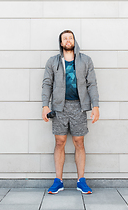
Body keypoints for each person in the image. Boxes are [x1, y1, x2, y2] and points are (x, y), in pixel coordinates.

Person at [42, 30, 99, 194]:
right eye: (64, 38)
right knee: (59, 142)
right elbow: (47, 84)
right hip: (59, 108)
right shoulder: (53, 62)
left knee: (79, 142)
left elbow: (92, 84)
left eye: (70, 38)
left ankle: (81, 181)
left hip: (79, 107)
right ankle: (58, 181)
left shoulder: (85, 60)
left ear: (74, 41)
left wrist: (95, 105)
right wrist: (45, 105)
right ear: (61, 43)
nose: (68, 40)